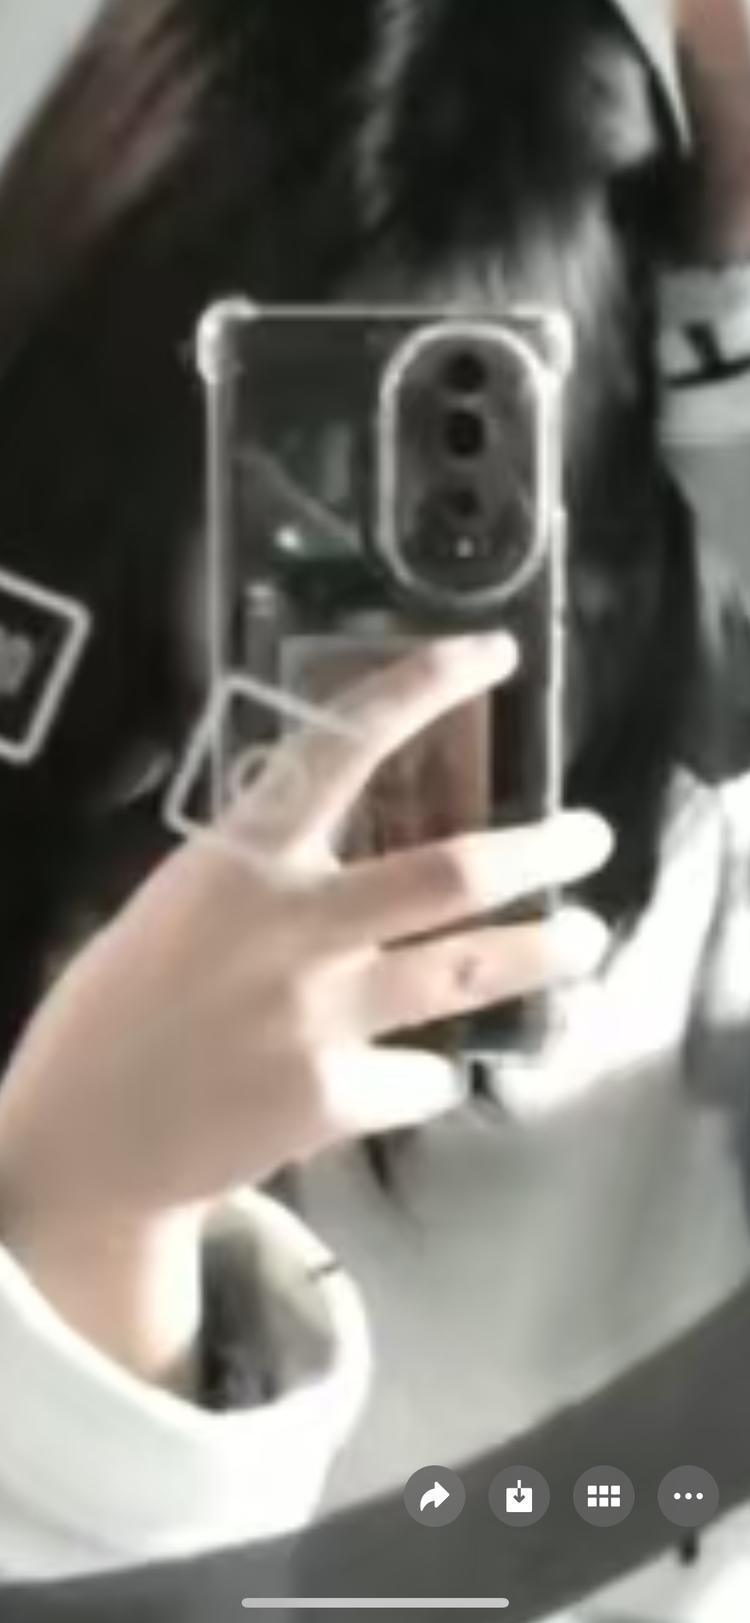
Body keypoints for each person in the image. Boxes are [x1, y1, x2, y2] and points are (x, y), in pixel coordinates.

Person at [0, 4, 747, 1618]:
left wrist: (732, 385)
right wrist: (86, 1233)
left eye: (465, 498)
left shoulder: (708, 964)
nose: (364, 594)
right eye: (286, 480)